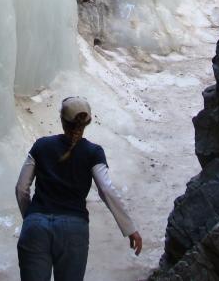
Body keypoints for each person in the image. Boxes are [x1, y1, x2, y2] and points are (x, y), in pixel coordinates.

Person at [15, 96, 142, 281]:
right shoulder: (93, 152)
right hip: (74, 228)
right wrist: (129, 228)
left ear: (62, 120)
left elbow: (21, 188)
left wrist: (31, 218)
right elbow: (106, 189)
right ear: (87, 123)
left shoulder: (41, 146)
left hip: (36, 225)